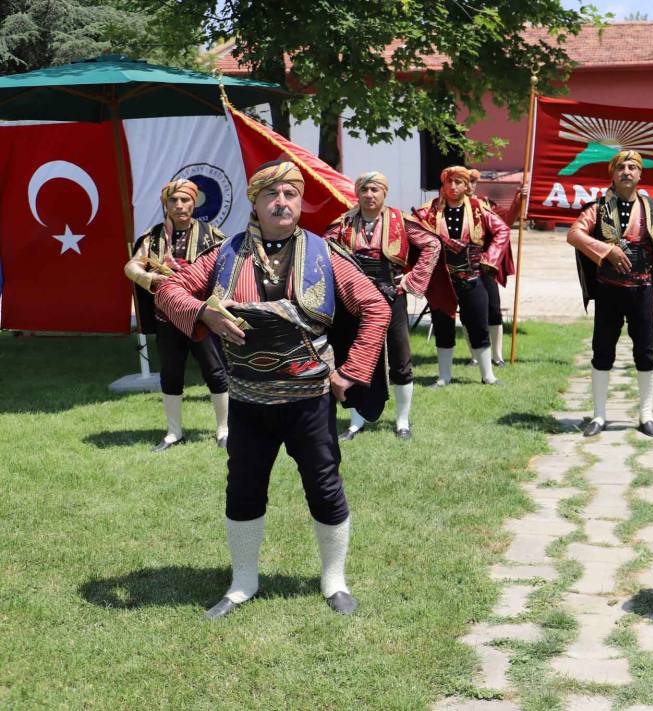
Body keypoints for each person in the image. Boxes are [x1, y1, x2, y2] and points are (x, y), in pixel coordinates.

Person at [156, 160, 391, 619]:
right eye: (271, 195)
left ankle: (334, 580)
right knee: (243, 489)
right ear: (255, 204)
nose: (282, 202)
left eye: (290, 195)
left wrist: (351, 372)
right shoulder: (224, 254)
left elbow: (375, 307)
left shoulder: (326, 253)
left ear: (299, 203)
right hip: (247, 402)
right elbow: (168, 289)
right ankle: (243, 582)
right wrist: (203, 311)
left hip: (309, 402)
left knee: (324, 487)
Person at [567, 149, 653, 438]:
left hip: (642, 290)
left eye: (632, 167)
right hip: (608, 291)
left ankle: (646, 415)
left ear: (640, 174)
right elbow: (574, 234)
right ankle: (599, 416)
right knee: (602, 352)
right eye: (621, 167)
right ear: (612, 173)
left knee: (646, 352)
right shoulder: (597, 208)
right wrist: (606, 250)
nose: (627, 171)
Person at [323, 171, 441, 440]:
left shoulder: (401, 221)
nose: (369, 195)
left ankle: (402, 422)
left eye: (375, 190)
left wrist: (411, 280)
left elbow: (432, 244)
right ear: (357, 193)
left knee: (400, 359)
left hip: (391, 296)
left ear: (384, 193)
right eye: (365, 190)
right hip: (354, 301)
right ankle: (356, 420)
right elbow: (324, 251)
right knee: (354, 357)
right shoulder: (342, 224)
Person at [123, 179, 229, 452]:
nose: (180, 205)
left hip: (201, 316)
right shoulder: (153, 237)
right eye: (174, 200)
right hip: (167, 316)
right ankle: (173, 433)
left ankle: (224, 430)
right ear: (166, 204)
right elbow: (131, 266)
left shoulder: (212, 234)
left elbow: (228, 270)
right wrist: (149, 277)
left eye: (185, 200)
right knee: (171, 374)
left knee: (215, 372)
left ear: (194, 203)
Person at [413, 166, 510, 386]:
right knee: (442, 324)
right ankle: (444, 376)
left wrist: (489, 257)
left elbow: (502, 230)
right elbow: (412, 232)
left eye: (458, 182)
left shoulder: (479, 208)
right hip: (441, 281)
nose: (453, 186)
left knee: (479, 323)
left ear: (467, 186)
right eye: (450, 182)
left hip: (472, 276)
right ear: (443, 184)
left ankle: (488, 375)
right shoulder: (429, 211)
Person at [466, 169, 527, 366]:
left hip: (485, 264)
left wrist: (519, 200)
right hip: (459, 266)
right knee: (467, 312)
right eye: (463, 181)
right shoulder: (446, 208)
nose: (468, 185)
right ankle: (475, 356)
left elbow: (506, 221)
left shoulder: (486, 205)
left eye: (472, 181)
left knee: (493, 308)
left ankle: (497, 356)